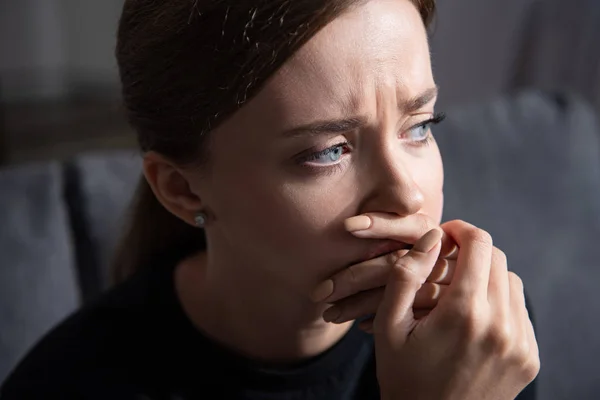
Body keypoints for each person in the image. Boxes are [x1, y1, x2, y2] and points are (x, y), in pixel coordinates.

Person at [0, 0, 540, 398]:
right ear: (181, 188)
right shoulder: (68, 385)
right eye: (328, 151)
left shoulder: (479, 332)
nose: (406, 193)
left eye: (419, 126)